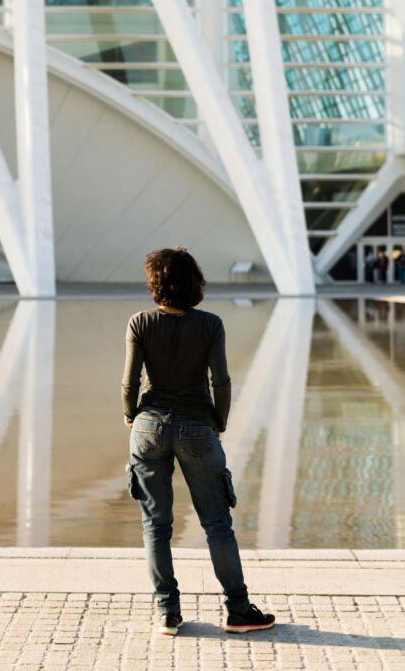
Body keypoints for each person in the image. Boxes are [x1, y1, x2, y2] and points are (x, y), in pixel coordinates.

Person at [122, 247, 275, 637]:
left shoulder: (140, 323)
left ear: (154, 284)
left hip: (148, 426)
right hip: (197, 427)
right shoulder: (210, 325)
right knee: (217, 524)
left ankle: (168, 613)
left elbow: (130, 382)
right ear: (195, 283)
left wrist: (130, 416)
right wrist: (218, 421)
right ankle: (238, 611)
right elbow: (220, 382)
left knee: (156, 526)